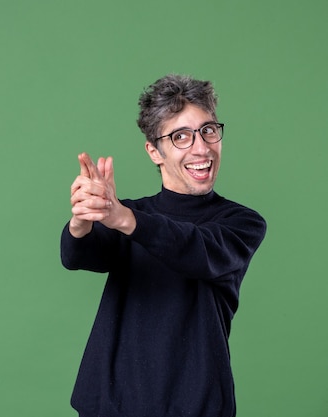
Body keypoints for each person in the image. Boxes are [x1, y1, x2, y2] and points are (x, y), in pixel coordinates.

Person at [61, 74, 267, 417]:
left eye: (208, 130)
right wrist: (83, 219)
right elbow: (76, 254)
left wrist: (123, 218)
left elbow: (197, 250)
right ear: (154, 151)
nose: (201, 148)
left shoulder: (241, 223)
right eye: (181, 137)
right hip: (109, 404)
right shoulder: (129, 213)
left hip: (197, 406)